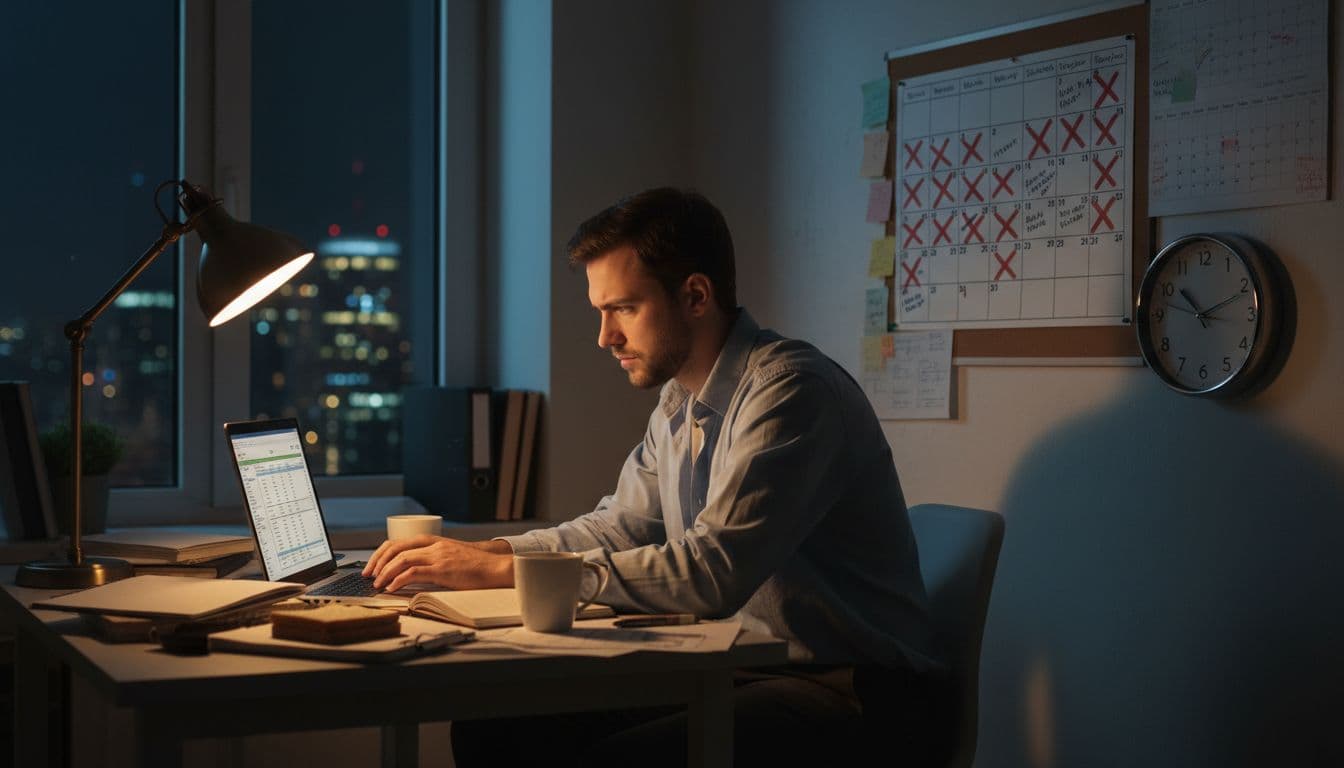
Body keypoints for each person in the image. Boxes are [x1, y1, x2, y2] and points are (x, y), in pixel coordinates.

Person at [364, 187, 953, 766]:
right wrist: (483, 552)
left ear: (696, 295)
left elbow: (712, 570)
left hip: (857, 695)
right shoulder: (680, 403)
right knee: (496, 730)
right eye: (601, 312)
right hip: (742, 670)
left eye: (623, 308)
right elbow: (620, 527)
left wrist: (507, 571)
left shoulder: (791, 393)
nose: (604, 337)